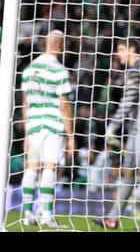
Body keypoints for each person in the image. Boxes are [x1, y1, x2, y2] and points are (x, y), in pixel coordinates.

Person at [93, 38, 140, 231]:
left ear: (132, 49)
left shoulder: (137, 68)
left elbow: (128, 99)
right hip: (139, 125)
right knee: (128, 169)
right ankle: (112, 218)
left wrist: (112, 126)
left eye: (121, 49)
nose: (118, 54)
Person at [21, 29, 74, 227]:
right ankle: (46, 215)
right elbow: (64, 105)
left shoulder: (29, 69)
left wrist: (26, 132)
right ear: (60, 46)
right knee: (50, 166)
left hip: (33, 125)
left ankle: (27, 214)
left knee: (32, 167)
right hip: (52, 125)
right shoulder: (59, 70)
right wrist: (71, 135)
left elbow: (25, 104)